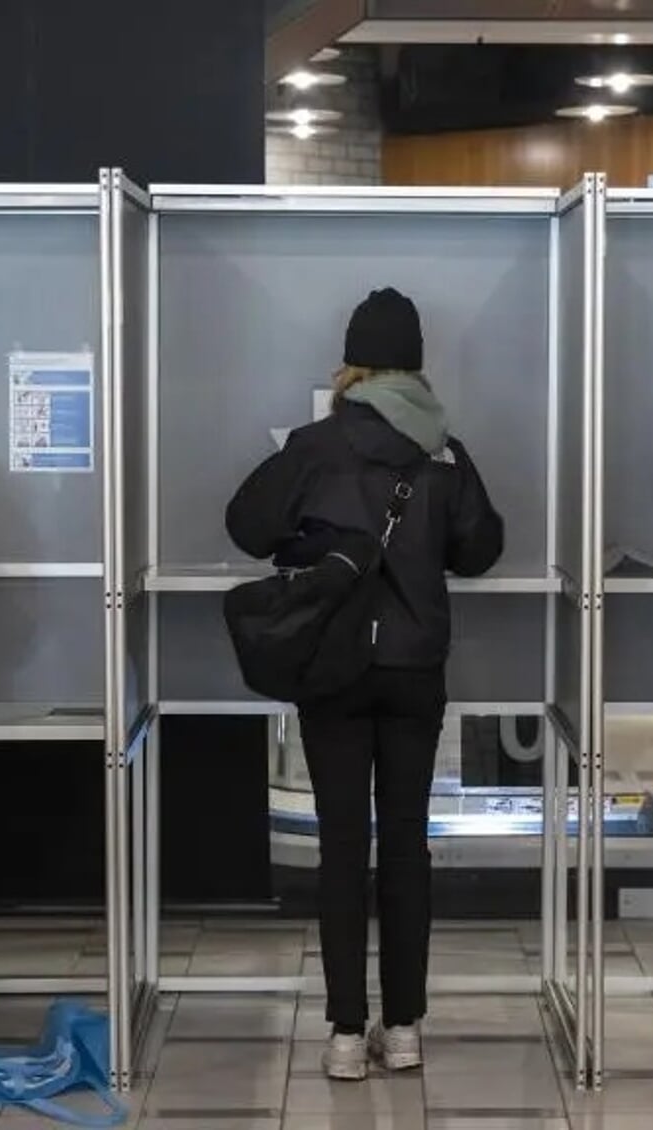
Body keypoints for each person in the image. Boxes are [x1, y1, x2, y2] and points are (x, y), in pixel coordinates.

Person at [226, 288, 504, 1081]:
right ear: (416, 363)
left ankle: (347, 1034)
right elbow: (480, 548)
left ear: (352, 361)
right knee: (406, 847)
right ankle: (406, 1028)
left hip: (333, 671)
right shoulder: (444, 450)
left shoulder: (314, 444)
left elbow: (246, 528)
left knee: (342, 848)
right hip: (414, 671)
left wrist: (313, 538)